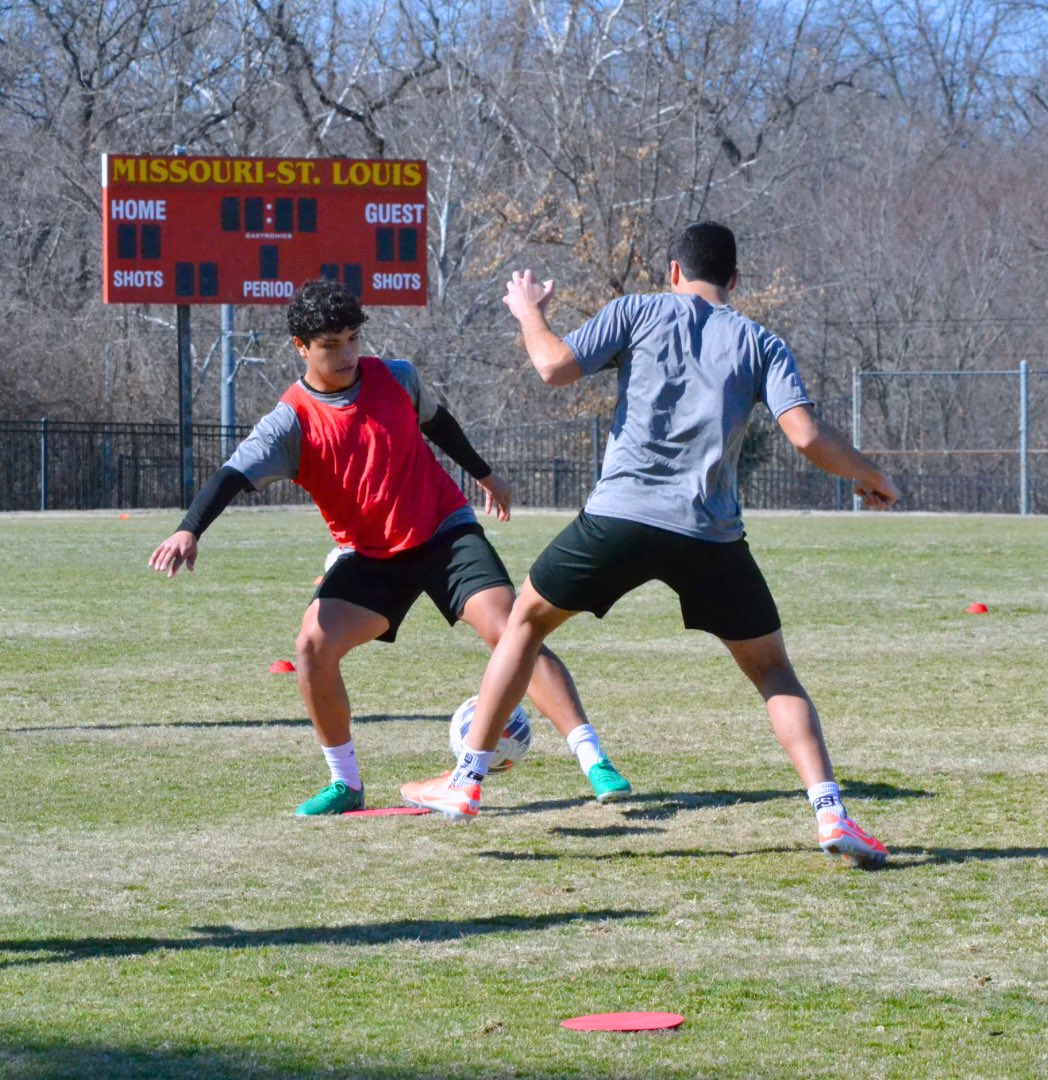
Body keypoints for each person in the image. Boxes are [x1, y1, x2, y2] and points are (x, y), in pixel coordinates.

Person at [401, 222, 899, 866]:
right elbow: (805, 435)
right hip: (709, 533)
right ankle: (831, 813)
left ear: (673, 272)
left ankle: (467, 780)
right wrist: (870, 475)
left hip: (620, 518)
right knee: (774, 672)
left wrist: (528, 312)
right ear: (734, 281)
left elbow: (553, 366)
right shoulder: (760, 342)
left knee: (523, 623)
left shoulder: (637, 311)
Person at [149, 278, 631, 815]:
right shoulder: (290, 421)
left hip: (444, 533)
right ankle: (345, 783)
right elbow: (232, 475)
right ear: (301, 347)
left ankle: (594, 760)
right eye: (331, 345)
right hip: (371, 556)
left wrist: (485, 474)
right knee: (312, 646)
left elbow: (439, 424)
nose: (347, 354)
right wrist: (190, 528)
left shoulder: (397, 377)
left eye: (353, 339)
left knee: (511, 630)